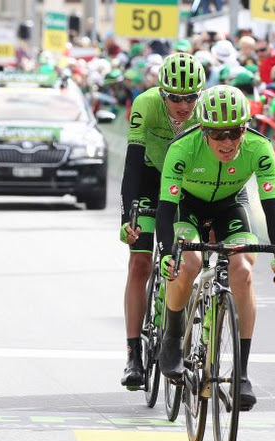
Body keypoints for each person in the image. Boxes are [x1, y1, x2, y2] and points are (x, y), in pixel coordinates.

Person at [156, 85, 275, 410]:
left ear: (245, 127)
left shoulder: (259, 147)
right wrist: (165, 253)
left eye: (235, 132)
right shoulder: (182, 148)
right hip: (186, 207)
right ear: (203, 129)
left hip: (230, 205)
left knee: (243, 270)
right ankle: (173, 339)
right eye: (218, 134)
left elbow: (272, 205)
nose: (228, 142)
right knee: (187, 264)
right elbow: (165, 208)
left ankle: (241, 374)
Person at [118, 53, 205, 389]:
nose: (183, 106)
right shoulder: (146, 104)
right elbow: (132, 165)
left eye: (190, 98)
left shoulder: (206, 109)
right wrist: (129, 217)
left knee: (188, 257)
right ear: (162, 93)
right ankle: (133, 354)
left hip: (186, 186)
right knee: (140, 263)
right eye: (174, 98)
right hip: (149, 180)